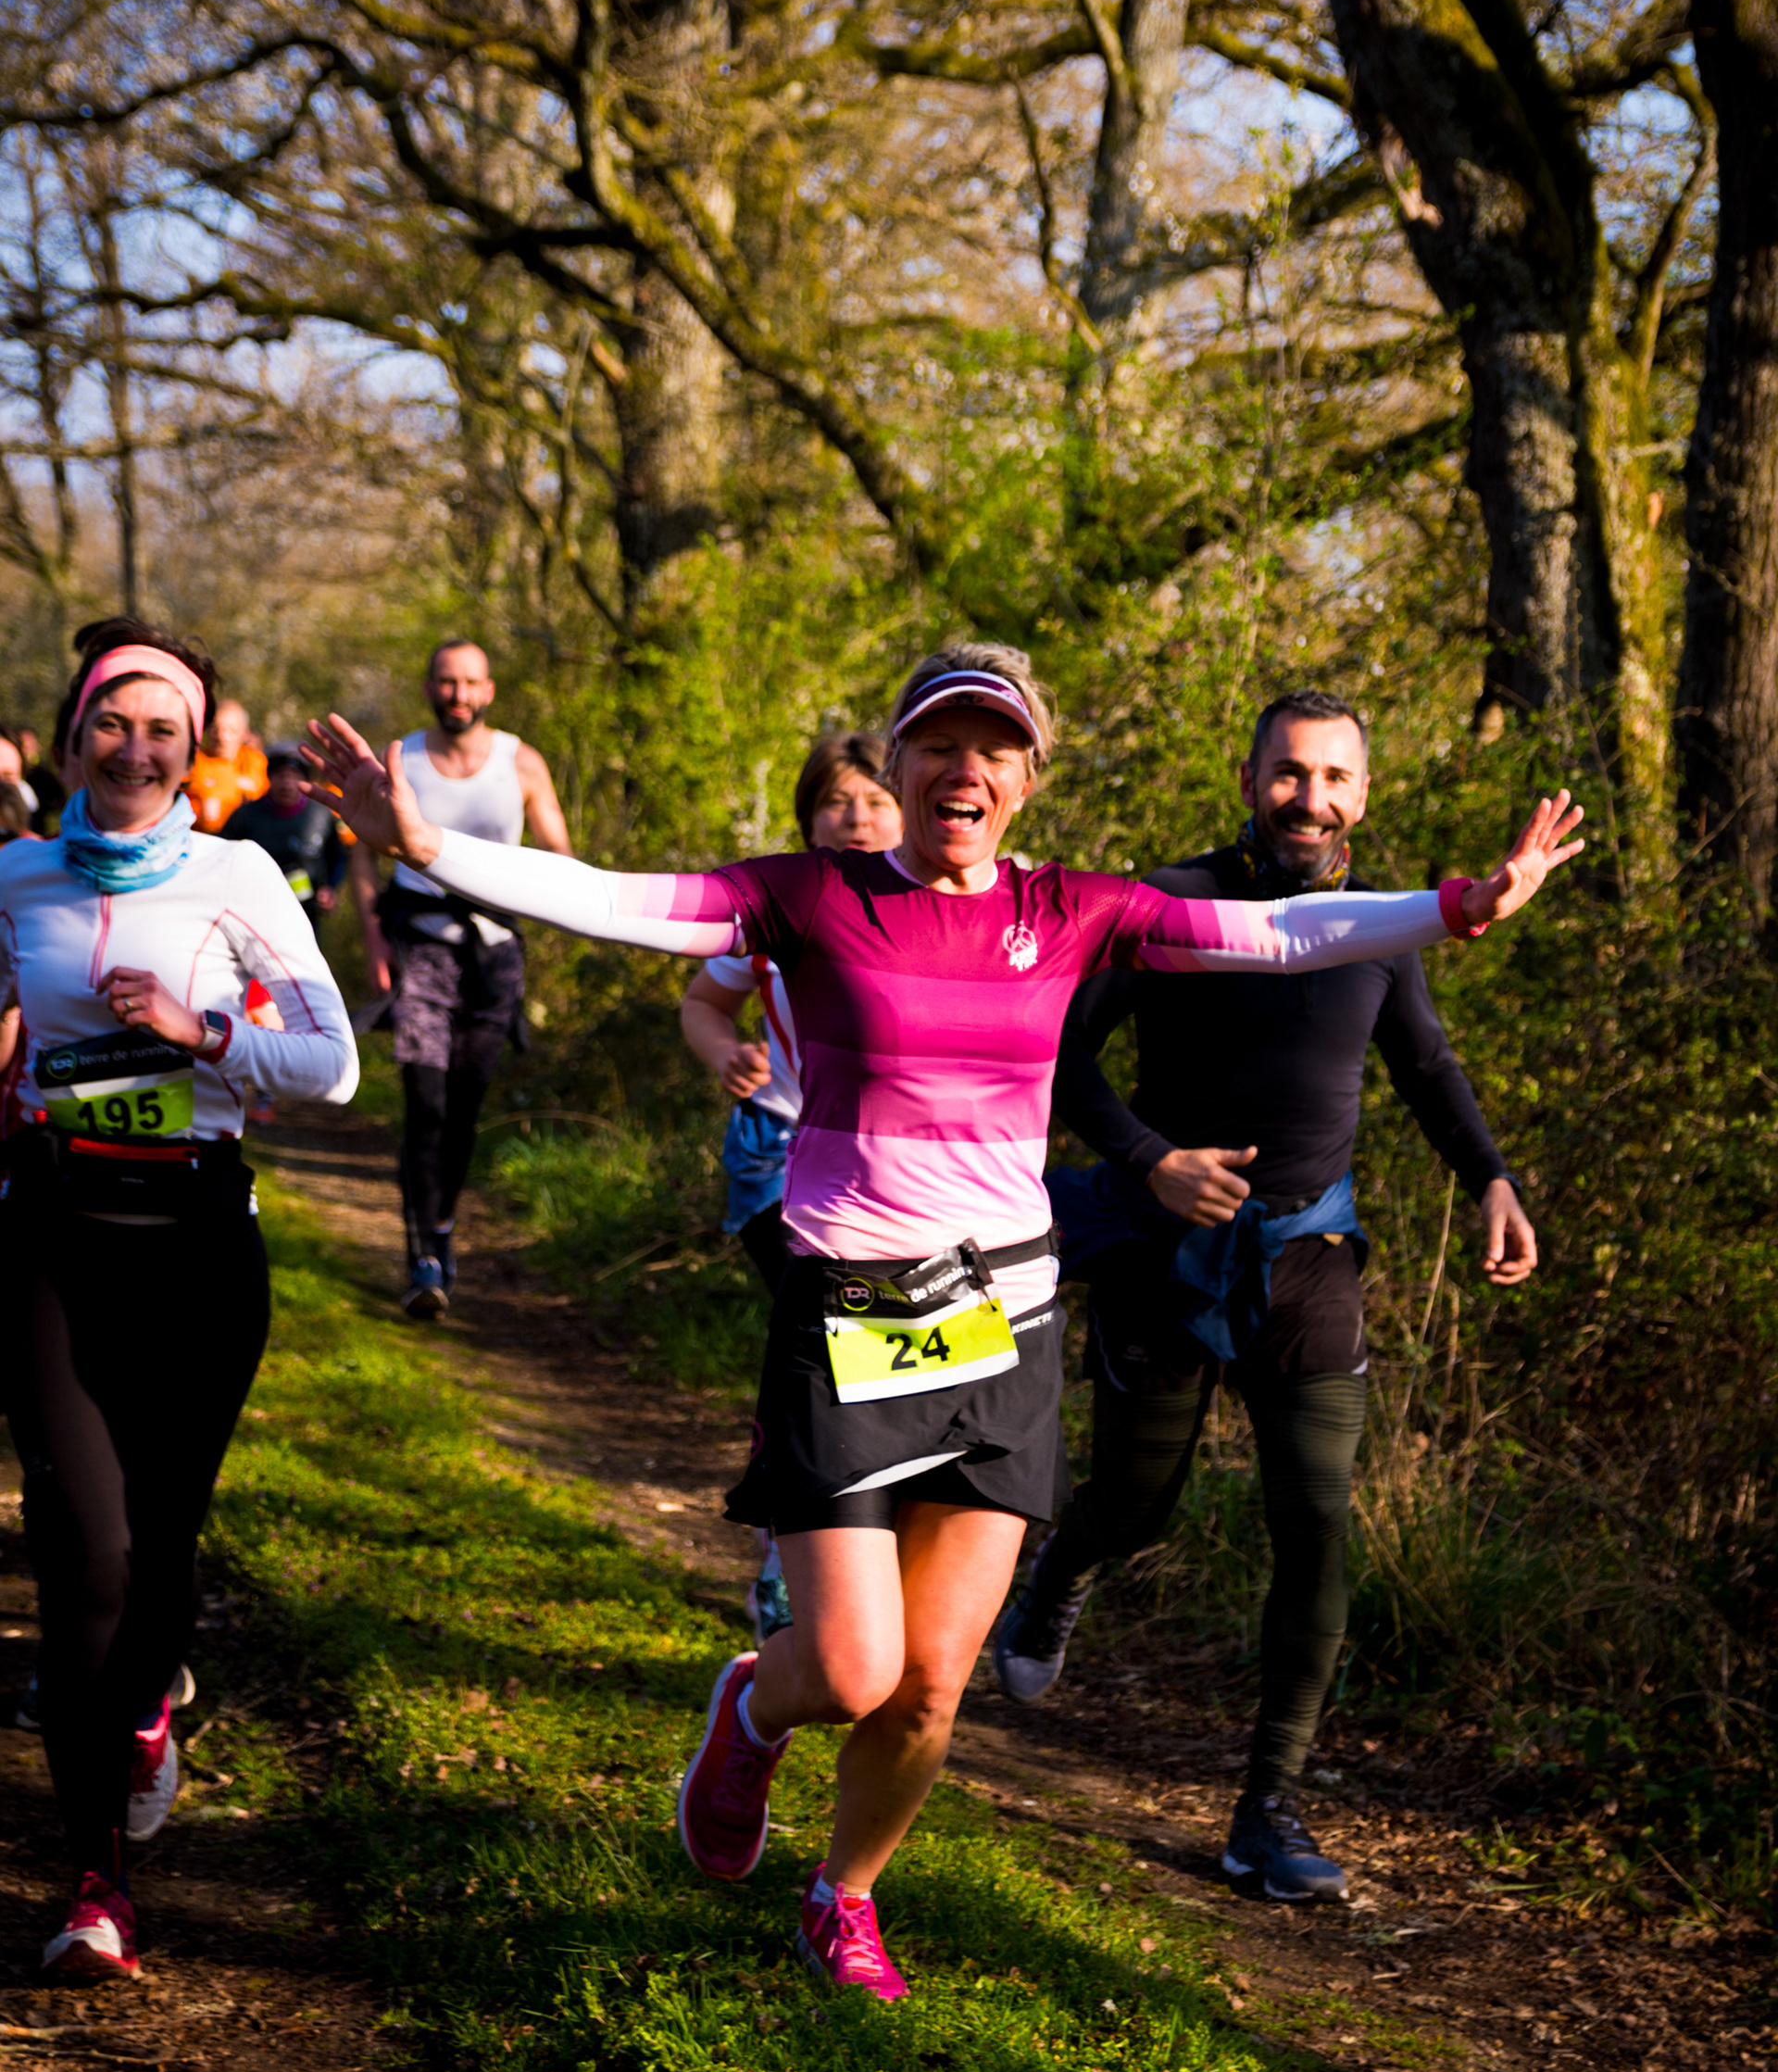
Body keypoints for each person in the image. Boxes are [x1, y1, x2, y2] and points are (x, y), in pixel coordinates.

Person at [306, 643, 1581, 2003]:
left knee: (929, 1684)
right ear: (903, 763)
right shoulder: (811, 895)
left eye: (995, 750)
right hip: (848, 1311)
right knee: (849, 1665)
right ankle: (754, 1707)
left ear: (1026, 781)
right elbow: (619, 900)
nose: (965, 769)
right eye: (939, 744)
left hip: (1000, 1323)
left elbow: (1284, 934)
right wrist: (428, 844)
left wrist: (1459, 907)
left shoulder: (1077, 910)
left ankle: (843, 1898)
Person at [993, 689, 1539, 1904]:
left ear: (1364, 795)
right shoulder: (1170, 903)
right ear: (1249, 781)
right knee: (1137, 1508)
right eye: (1290, 773)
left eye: (1335, 777)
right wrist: (1149, 1160)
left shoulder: (1379, 927)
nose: (1311, 798)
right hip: (1165, 1252)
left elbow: (1427, 1064)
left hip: (1309, 1257)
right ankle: (1064, 1571)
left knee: (1317, 1523)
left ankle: (1267, 1808)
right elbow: (1060, 1053)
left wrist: (1492, 1179)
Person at [0, 615, 357, 1981]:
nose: (136, 749)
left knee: (160, 1551)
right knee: (82, 1555)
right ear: (74, 731)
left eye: (164, 730)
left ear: (194, 749)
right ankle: (95, 1882)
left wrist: (200, 1031)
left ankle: (146, 1704)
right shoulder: (16, 876)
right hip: (51, 1237)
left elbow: (331, 1064)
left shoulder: (237, 873)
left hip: (197, 1244)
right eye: (113, 721)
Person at [680, 733, 902, 1636]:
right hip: (778, 1157)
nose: (857, 818)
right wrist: (724, 1053)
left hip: (896, 1176)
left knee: (872, 1362)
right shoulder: (778, 913)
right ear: (809, 821)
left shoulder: (945, 914)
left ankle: (857, 1552)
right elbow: (703, 1001)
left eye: (876, 800)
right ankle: (787, 1563)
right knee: (837, 1346)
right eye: (837, 802)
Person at [348, 638, 570, 1319]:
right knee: (426, 1103)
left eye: (471, 682)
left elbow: (559, 852)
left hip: (495, 956)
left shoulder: (521, 762)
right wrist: (374, 940)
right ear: (429, 688)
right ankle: (421, 1258)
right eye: (447, 681)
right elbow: (363, 856)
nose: (459, 694)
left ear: (489, 691)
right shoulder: (402, 759)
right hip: (420, 949)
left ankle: (442, 1226)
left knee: (464, 1110)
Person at [223, 744, 346, 932]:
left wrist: (330, 888)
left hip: (305, 916)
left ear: (305, 780)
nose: (287, 783)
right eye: (280, 775)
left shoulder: (321, 816)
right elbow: (223, 857)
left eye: (295, 775)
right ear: (269, 777)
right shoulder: (245, 816)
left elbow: (338, 857)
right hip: (254, 916)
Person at [186, 698, 269, 835]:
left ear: (244, 733)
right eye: (216, 729)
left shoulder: (254, 761)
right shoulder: (194, 762)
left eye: (231, 731)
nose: (222, 737)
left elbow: (266, 799)